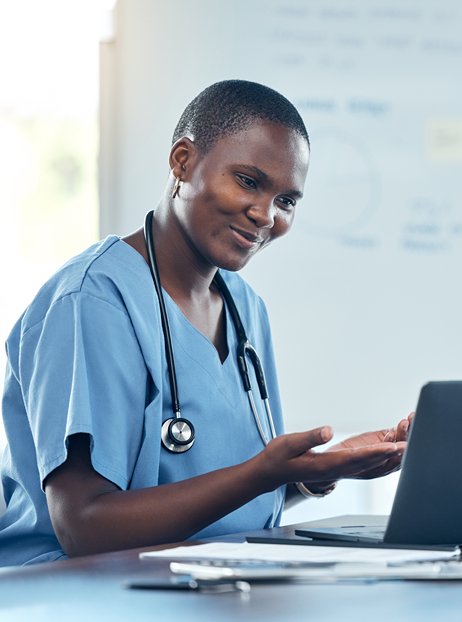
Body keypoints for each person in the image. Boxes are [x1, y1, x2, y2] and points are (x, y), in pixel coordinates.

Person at [0, 80, 411, 566]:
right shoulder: (91, 301)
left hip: (208, 582)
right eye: (248, 181)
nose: (265, 215)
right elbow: (85, 527)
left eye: (287, 201)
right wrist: (263, 473)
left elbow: (225, 504)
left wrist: (311, 474)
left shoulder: (245, 308)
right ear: (182, 162)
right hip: (79, 594)